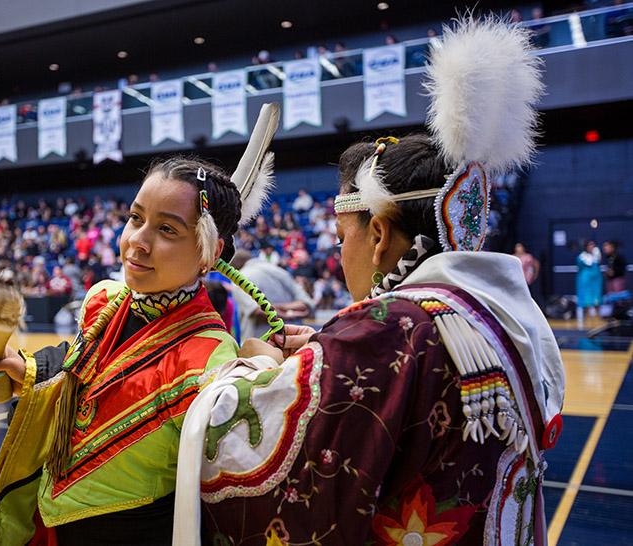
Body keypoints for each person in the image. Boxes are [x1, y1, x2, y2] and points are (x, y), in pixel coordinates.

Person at [173, 19, 564, 546]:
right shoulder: (498, 315)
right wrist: (326, 349)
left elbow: (253, 462)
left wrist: (259, 364)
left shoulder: (390, 329)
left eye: (341, 238)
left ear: (378, 234)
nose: (339, 254)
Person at [0, 103, 284, 545]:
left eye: (168, 230)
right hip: (54, 528)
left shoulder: (209, 356)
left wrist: (261, 372)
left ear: (209, 255)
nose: (138, 240)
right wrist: (21, 368)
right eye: (136, 218)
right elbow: (77, 368)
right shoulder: (104, 300)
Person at [230, 249, 314, 340]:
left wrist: (280, 312)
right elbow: (305, 304)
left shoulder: (240, 278)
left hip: (260, 341)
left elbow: (257, 311)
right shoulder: (280, 271)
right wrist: (288, 312)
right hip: (292, 337)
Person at [576, 240, 603, 327]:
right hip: (585, 280)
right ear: (586, 247)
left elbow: (598, 263)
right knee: (586, 299)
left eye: (593, 245)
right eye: (590, 245)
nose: (592, 247)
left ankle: (598, 318)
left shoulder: (596, 255)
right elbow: (580, 268)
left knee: (597, 298)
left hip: (596, 280)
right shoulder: (582, 257)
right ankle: (586, 319)